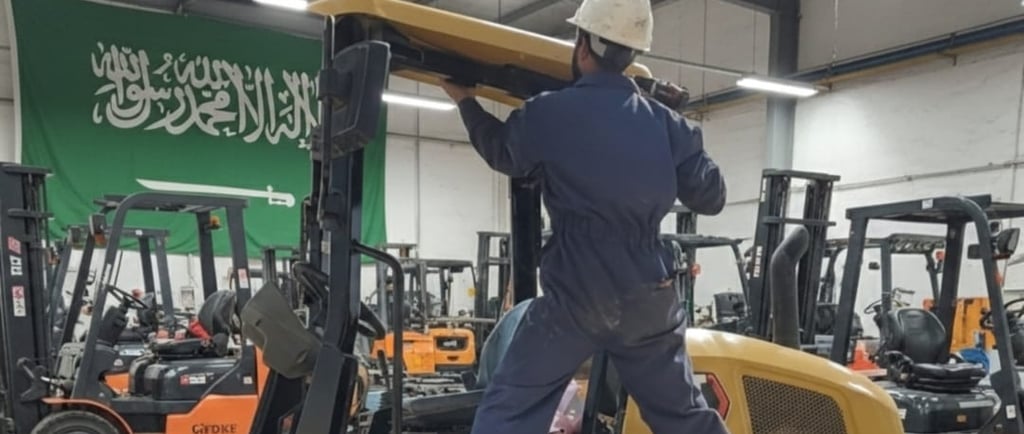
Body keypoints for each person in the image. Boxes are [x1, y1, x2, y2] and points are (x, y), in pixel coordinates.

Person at [438, 0, 730, 432]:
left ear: (582, 44)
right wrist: (676, 124)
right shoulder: (668, 126)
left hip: (577, 294)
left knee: (508, 413)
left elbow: (503, 151)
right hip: (648, 294)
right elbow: (712, 197)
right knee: (685, 417)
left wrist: (466, 102)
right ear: (633, 54)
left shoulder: (549, 111)